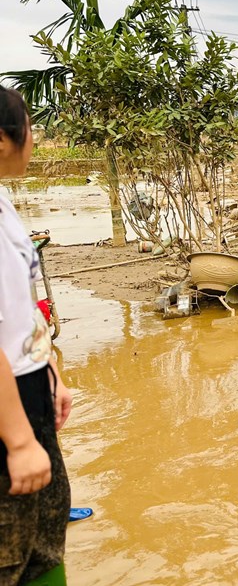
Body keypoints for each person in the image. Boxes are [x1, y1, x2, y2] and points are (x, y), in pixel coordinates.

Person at [0, 86, 73, 584]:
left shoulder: (4, 201)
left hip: (30, 389)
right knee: (9, 554)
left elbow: (19, 305)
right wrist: (19, 440)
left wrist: (50, 371)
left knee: (45, 541)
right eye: (27, 125)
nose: (34, 139)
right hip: (8, 411)